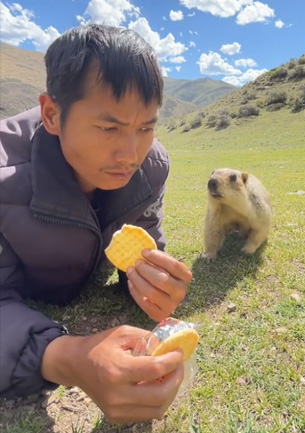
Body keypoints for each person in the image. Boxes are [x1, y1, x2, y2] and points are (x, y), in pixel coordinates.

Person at [0, 24, 193, 423]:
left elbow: (145, 241)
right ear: (52, 114)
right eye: (109, 128)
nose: (130, 153)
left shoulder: (151, 166)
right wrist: (72, 358)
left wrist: (150, 283)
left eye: (146, 128)